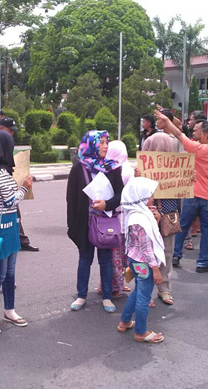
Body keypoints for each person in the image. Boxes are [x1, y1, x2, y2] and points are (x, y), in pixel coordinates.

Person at [156, 110, 208, 273]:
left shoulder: (196, 149)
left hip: (192, 195)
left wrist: (166, 120)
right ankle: (202, 262)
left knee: (183, 226)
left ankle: (176, 255)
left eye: (201, 133)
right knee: (206, 231)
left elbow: (177, 132)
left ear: (207, 136)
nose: (199, 135)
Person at [0, 131, 32, 334]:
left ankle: (9, 310)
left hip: (8, 225)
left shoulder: (1, 170)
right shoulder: (0, 173)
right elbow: (11, 200)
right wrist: (25, 188)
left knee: (10, 273)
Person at [66, 130, 124, 313]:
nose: (106, 146)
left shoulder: (112, 168)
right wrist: (72, 225)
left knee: (105, 260)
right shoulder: (79, 167)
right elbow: (71, 198)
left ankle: (107, 296)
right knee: (85, 259)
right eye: (102, 142)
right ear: (92, 144)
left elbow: (120, 194)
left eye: (107, 142)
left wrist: (107, 204)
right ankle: (81, 295)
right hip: (84, 222)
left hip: (105, 221)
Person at [117, 177, 165, 343]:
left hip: (136, 260)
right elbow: (146, 248)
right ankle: (141, 332)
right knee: (144, 297)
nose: (153, 198)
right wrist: (156, 269)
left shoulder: (136, 213)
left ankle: (124, 322)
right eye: (150, 195)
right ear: (141, 196)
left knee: (138, 292)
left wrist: (156, 219)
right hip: (144, 263)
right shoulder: (140, 219)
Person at [142, 133, 181, 306]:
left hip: (167, 215)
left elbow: (182, 191)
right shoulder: (141, 169)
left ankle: (164, 289)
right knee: (147, 254)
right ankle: (145, 291)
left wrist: (188, 180)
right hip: (147, 216)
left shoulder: (176, 168)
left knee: (166, 252)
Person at [0, 117, 39, 252]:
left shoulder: (6, 141)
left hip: (7, 183)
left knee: (15, 213)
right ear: (2, 128)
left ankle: (20, 240)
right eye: (10, 130)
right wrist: (22, 189)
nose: (12, 134)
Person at [98, 140, 133, 297]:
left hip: (111, 217)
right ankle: (115, 287)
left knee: (113, 255)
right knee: (119, 255)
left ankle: (108, 284)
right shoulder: (127, 170)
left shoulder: (107, 168)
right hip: (123, 218)